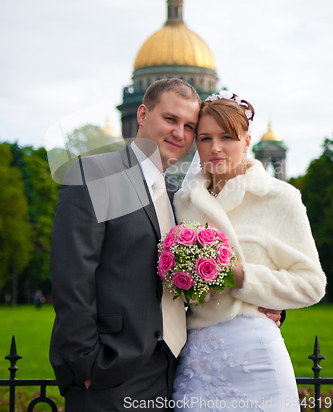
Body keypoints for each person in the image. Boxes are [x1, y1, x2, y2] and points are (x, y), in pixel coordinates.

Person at [49, 79, 282, 412]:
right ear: (142, 114)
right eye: (170, 119)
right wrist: (87, 367)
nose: (179, 133)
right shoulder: (96, 174)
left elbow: (214, 268)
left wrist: (266, 305)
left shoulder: (180, 196)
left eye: (189, 126)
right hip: (110, 374)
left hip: (173, 373)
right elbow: (71, 277)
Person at [172, 91, 326, 411]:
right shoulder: (182, 204)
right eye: (205, 138)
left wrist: (241, 277)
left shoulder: (278, 197)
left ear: (247, 141)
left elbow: (312, 283)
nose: (215, 147)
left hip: (255, 356)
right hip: (196, 357)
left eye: (227, 136)